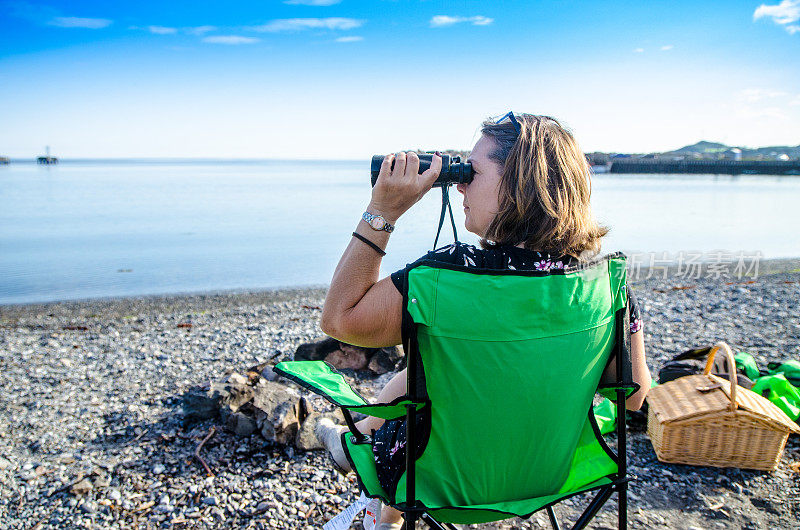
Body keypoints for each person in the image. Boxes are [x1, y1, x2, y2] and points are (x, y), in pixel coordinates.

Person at [315, 113, 652, 529]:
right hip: (551, 474)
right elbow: (634, 397)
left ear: (518, 183)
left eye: (471, 173)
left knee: (427, 381)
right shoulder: (604, 284)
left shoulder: (450, 276)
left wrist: (381, 212)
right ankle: (375, 493)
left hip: (441, 481)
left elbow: (339, 318)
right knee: (438, 364)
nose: (458, 184)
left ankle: (369, 479)